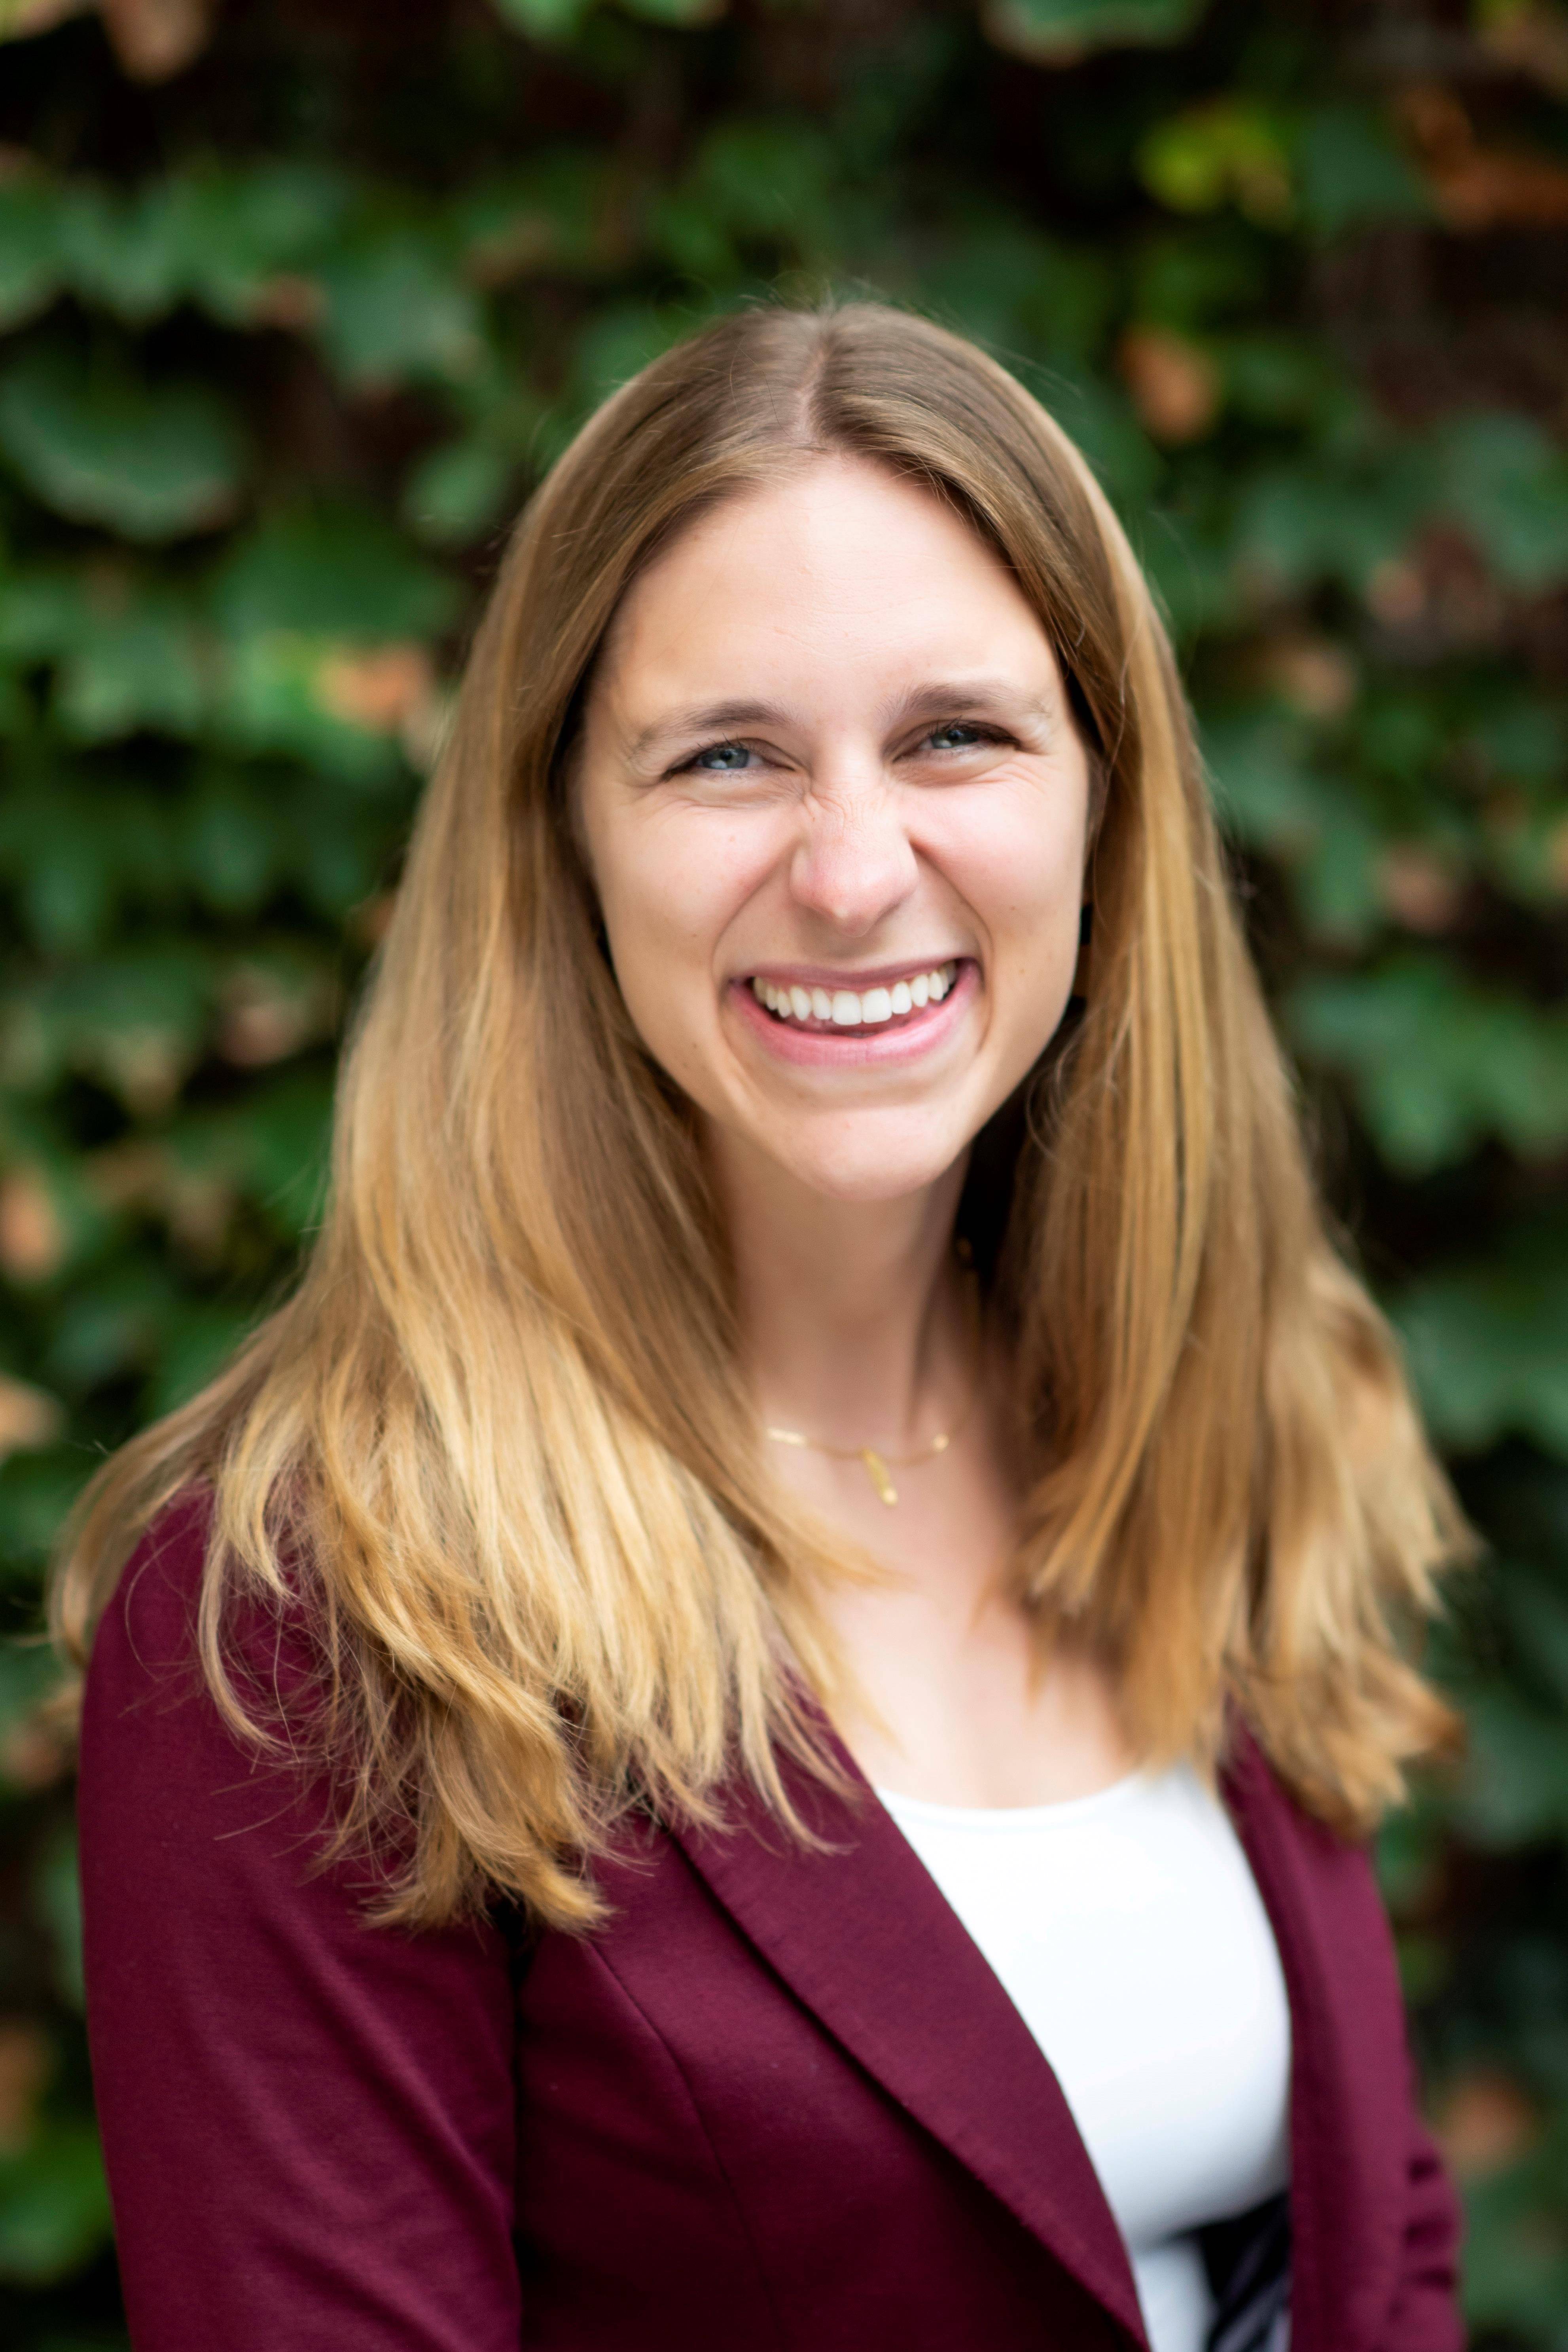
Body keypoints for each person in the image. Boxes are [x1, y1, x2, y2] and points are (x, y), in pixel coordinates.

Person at [56, 299, 1468, 2352]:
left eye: (956, 736)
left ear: (1108, 802)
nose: (852, 866)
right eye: (728, 757)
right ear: (565, 840)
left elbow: (1379, 2258)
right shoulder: (316, 1615)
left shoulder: (1228, 1418)